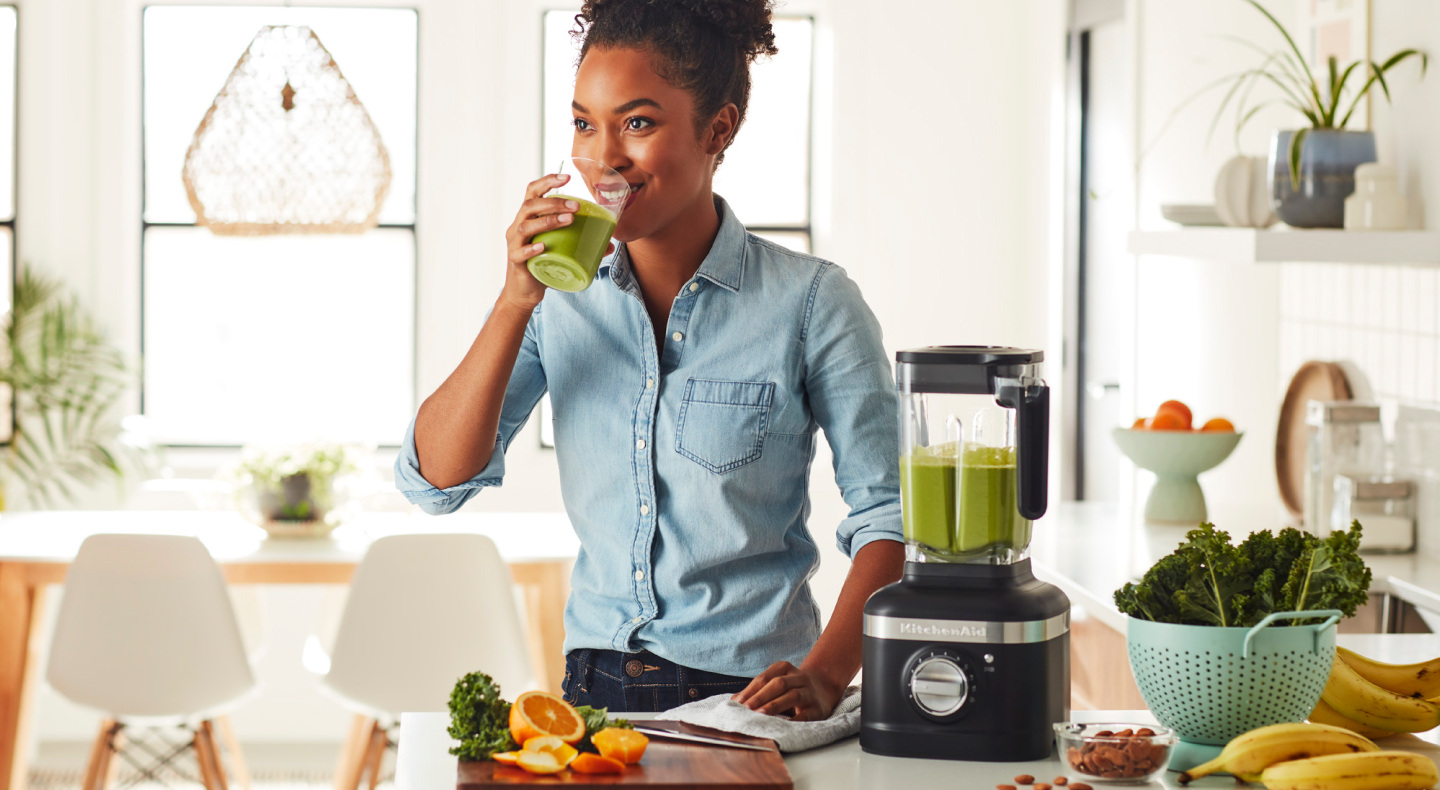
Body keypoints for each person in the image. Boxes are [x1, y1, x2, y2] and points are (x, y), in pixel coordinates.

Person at [396, 0, 902, 721]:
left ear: (717, 129)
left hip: (750, 696)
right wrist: (514, 302)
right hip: (593, 694)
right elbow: (436, 482)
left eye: (636, 123)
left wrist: (825, 674)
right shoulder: (554, 300)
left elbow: (891, 517)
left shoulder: (812, 301)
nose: (603, 158)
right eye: (584, 124)